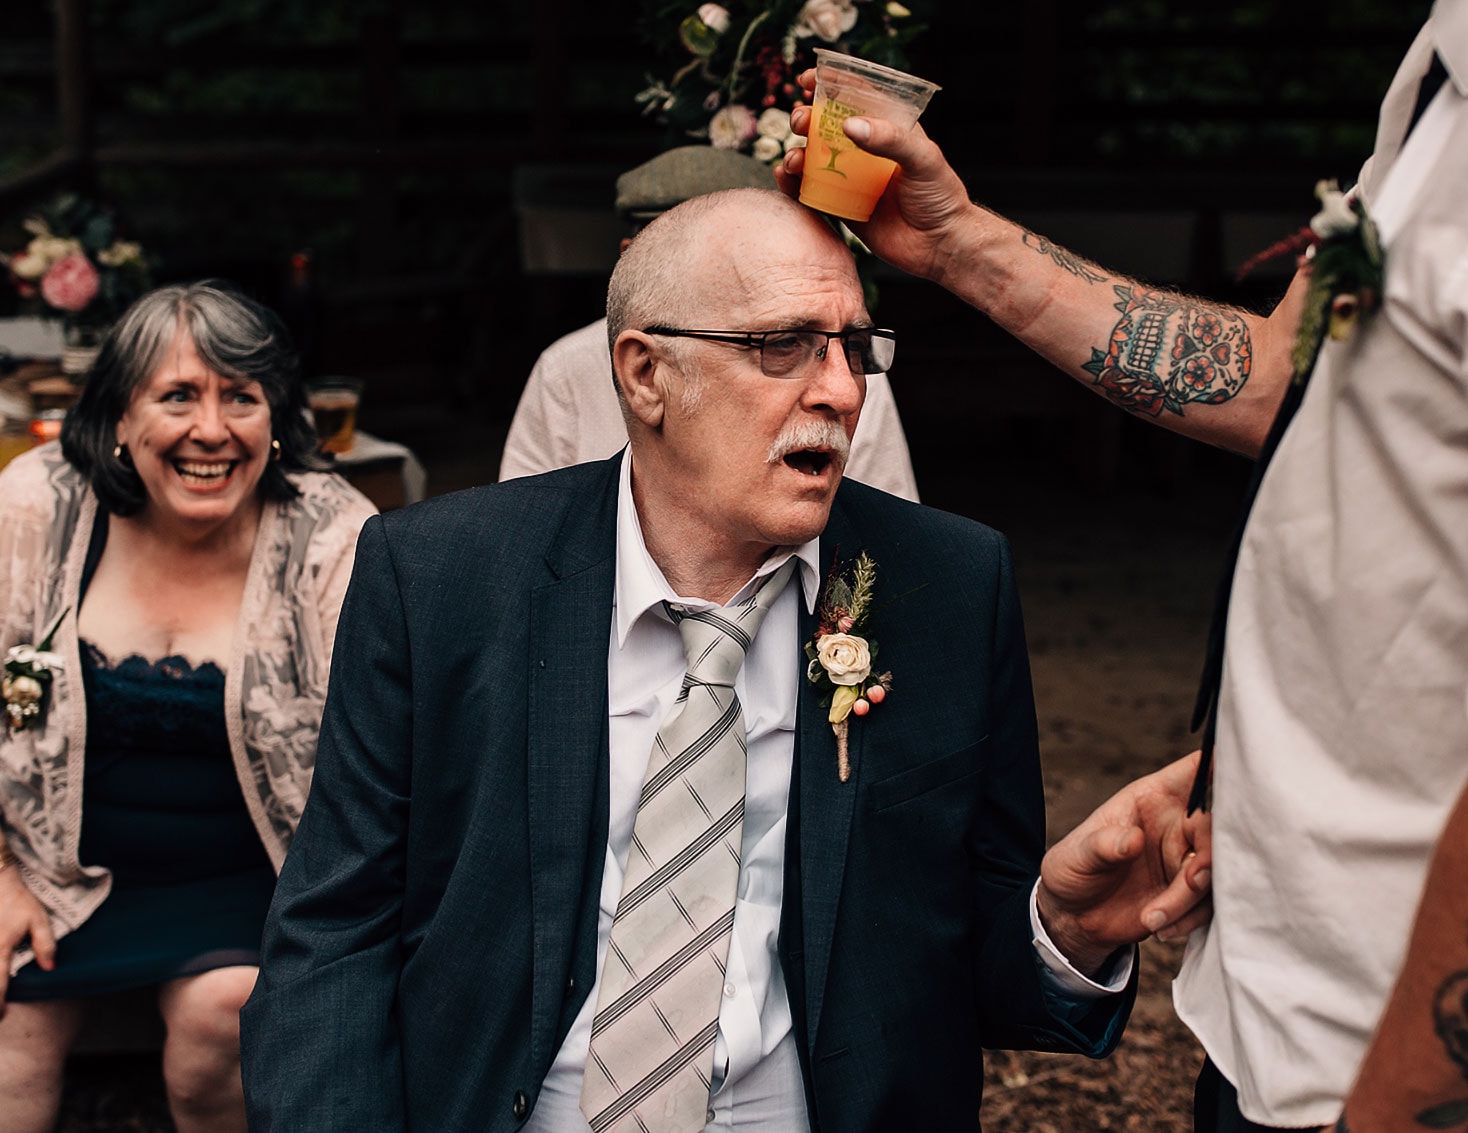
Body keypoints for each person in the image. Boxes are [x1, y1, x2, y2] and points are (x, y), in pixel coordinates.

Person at [240, 188, 1211, 1131]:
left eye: (852, 347)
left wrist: (1063, 925)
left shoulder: (944, 586)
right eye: (779, 344)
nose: (838, 389)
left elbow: (953, 972)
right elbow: (335, 932)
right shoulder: (441, 577)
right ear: (644, 373)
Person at [775, 4, 1466, 1128]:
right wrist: (953, 240)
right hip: (1282, 1009)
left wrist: (1399, 1097)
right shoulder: (1440, 73)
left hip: (1399, 1055)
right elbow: (1269, 378)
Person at [0, 279, 376, 1132]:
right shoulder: (36, 506)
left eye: (242, 398)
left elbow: (393, 741)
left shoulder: (333, 535)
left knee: (223, 1014)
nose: (212, 430)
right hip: (51, 870)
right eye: (178, 396)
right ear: (117, 417)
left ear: (276, 418)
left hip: (261, 876)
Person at [500, 144, 920, 502]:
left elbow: (892, 537)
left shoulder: (846, 369)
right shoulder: (566, 368)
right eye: (780, 343)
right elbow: (524, 533)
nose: (841, 392)